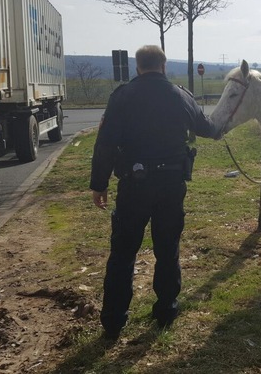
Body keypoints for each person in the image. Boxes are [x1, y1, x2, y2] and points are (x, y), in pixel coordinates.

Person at [90, 45, 217, 340]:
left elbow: (105, 144)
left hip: (134, 185)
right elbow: (206, 127)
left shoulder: (122, 96)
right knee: (167, 248)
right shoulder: (181, 95)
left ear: (138, 67)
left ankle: (113, 321)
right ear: (163, 65)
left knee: (122, 253)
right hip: (172, 184)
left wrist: (99, 184)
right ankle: (166, 310)